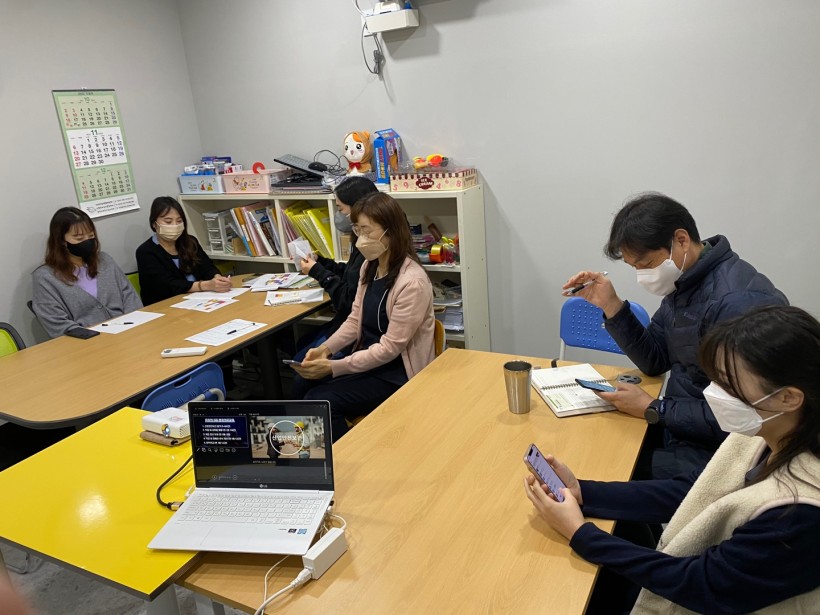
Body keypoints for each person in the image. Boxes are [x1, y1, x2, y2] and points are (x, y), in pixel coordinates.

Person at [524, 305, 820, 614]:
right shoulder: (769, 432)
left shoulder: (801, 514)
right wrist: (584, 492)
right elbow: (696, 490)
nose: (714, 393)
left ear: (789, 398)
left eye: (728, 384)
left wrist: (581, 534)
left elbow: (701, 585)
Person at [564, 193, 787, 478]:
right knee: (593, 444)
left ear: (681, 240)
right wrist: (611, 305)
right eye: (634, 268)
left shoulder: (737, 303)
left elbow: (746, 417)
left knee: (604, 471)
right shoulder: (686, 283)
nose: (642, 275)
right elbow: (655, 359)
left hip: (719, 456)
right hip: (681, 429)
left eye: (646, 264)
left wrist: (654, 408)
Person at [293, 193, 436, 441]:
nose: (361, 238)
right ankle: (305, 452)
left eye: (367, 230)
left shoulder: (412, 282)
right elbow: (354, 319)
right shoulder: (370, 266)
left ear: (391, 231)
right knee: (301, 381)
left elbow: (390, 349)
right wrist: (326, 349)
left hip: (397, 373)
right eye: (357, 230)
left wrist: (334, 367)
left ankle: (347, 455)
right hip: (367, 359)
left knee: (319, 402)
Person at [294, 176, 377, 359]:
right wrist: (320, 262)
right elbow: (349, 274)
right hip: (348, 323)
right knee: (301, 343)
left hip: (358, 330)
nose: (338, 215)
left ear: (357, 207)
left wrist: (317, 272)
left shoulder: (371, 248)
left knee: (302, 359)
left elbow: (347, 301)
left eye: (340, 208)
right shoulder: (360, 238)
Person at [32, 207, 142, 338]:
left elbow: (129, 296)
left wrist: (134, 325)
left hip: (129, 332)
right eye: (79, 238)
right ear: (61, 240)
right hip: (87, 342)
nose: (87, 241)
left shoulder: (105, 260)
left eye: (91, 236)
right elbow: (57, 323)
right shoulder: (45, 277)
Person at [135, 196, 232, 305]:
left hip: (200, 301)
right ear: (154, 223)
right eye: (168, 221)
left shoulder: (190, 242)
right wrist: (205, 285)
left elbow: (207, 267)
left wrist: (217, 278)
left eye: (179, 221)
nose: (174, 226)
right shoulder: (146, 252)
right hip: (166, 305)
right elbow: (168, 285)